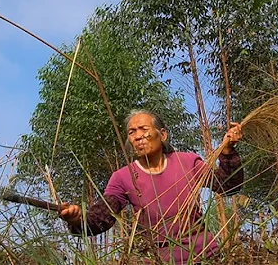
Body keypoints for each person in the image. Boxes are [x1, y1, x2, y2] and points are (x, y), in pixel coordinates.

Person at [58, 110, 244, 264]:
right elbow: (102, 217)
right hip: (157, 260)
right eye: (132, 132)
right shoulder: (123, 177)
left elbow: (228, 186)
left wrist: (227, 152)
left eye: (143, 129)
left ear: (162, 134)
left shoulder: (188, 162)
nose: (138, 136)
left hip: (204, 255)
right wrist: (78, 219)